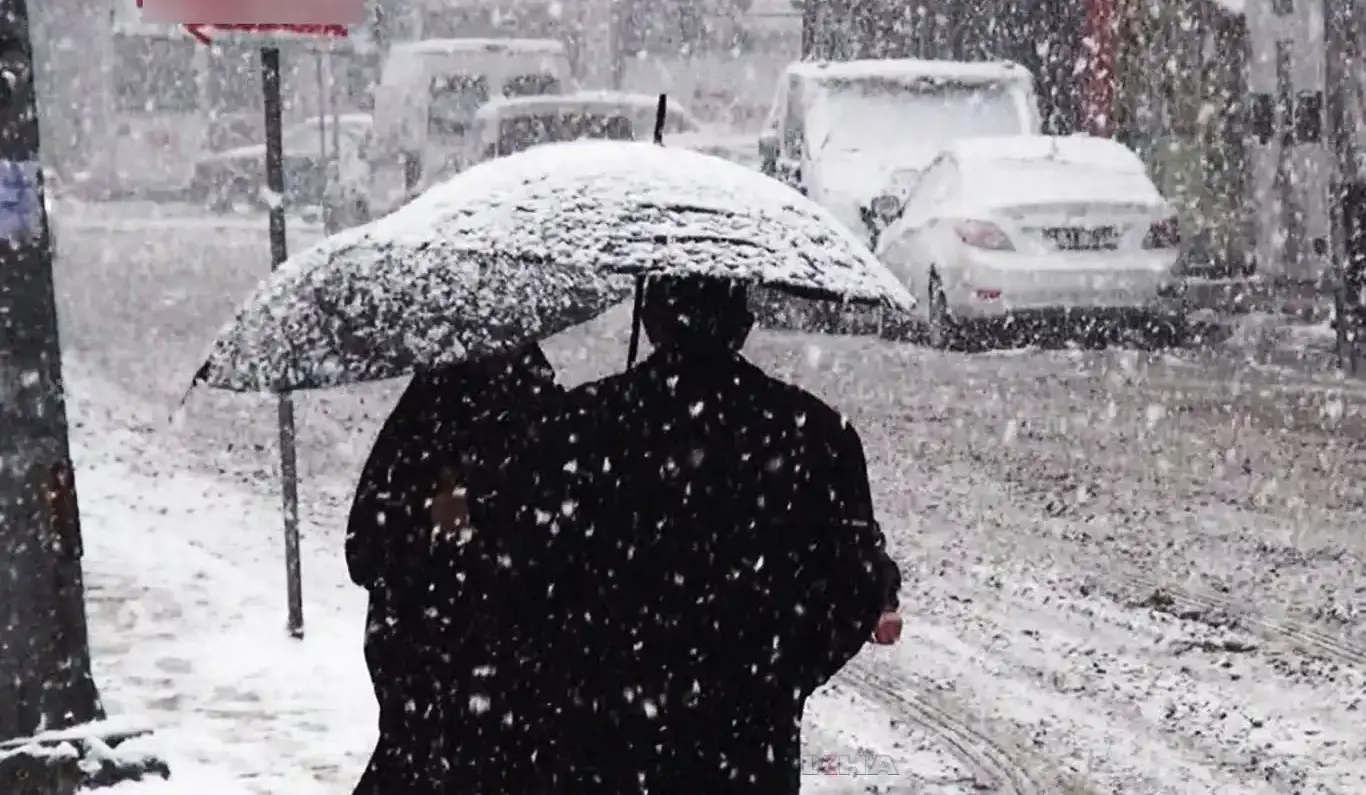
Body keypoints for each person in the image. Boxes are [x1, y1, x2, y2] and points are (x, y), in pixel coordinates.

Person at [458, 276, 901, 794]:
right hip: (749, 747)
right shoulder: (817, 435)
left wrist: (586, 676)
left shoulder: (578, 428)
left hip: (605, 743)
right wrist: (778, 680)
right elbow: (855, 586)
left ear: (649, 321)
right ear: (744, 322)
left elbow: (524, 577)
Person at [345, 344, 560, 795]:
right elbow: (366, 547)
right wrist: (428, 520)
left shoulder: (542, 415)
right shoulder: (432, 414)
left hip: (488, 683)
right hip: (440, 680)